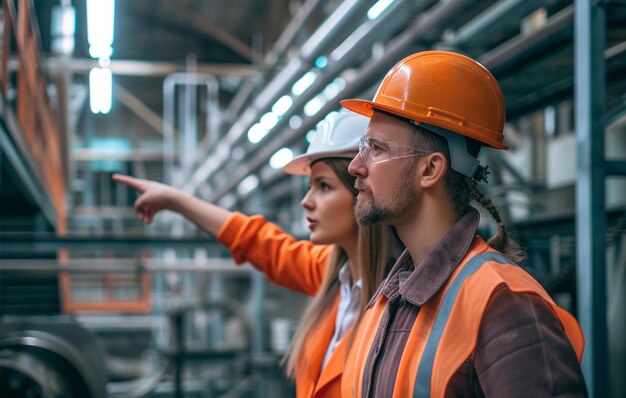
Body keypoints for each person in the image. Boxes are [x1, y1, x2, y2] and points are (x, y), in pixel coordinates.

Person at [338, 51, 587, 397]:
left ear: (430, 170)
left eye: (376, 149)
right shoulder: (388, 298)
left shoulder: (505, 305)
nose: (355, 166)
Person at [112, 110, 403, 398]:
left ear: (363, 193)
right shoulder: (334, 277)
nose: (306, 201)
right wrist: (176, 201)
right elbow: (258, 242)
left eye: (324, 186)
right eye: (309, 186)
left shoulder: (399, 307)